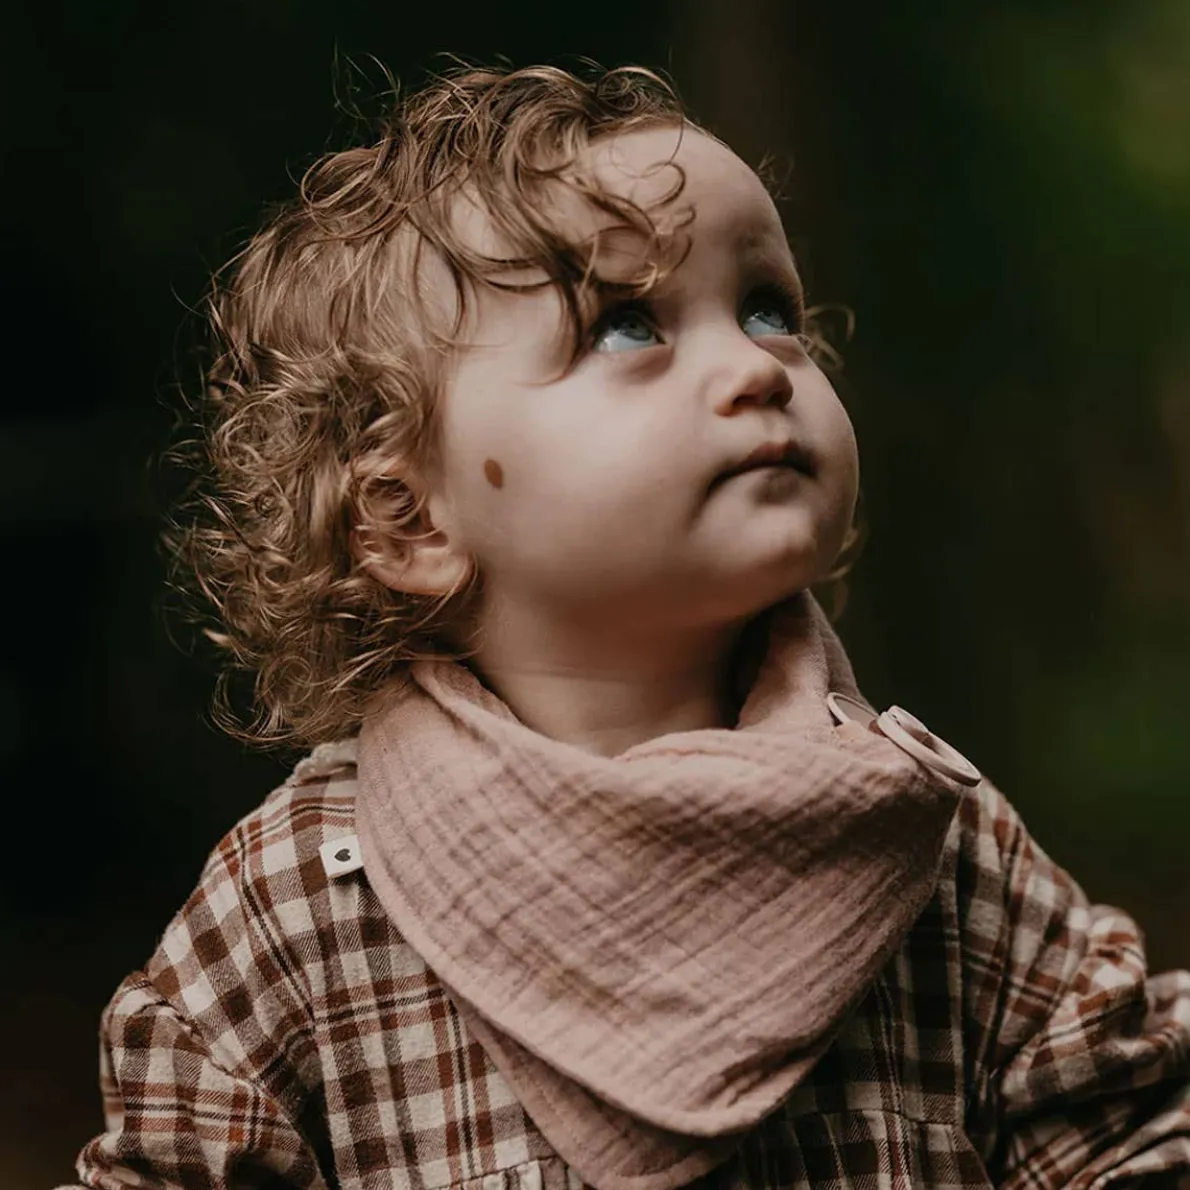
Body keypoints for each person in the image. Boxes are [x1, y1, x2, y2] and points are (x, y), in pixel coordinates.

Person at [61, 62, 1190, 1190]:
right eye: (625, 324)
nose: (754, 365)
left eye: (766, 308)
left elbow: (1125, 1130)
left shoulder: (927, 838)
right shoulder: (296, 909)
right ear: (407, 518)